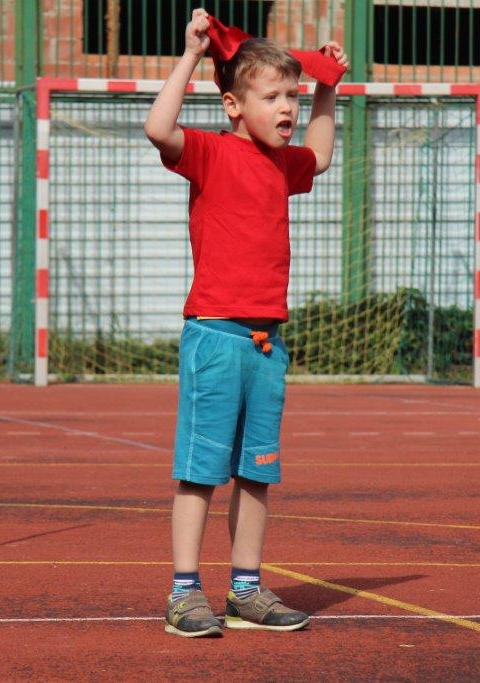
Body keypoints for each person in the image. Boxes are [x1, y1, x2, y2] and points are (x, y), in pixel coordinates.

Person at [144, 8, 347, 638]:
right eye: (273, 96)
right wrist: (191, 54)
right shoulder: (209, 152)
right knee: (200, 473)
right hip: (215, 338)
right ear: (232, 105)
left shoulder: (285, 166)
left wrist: (327, 88)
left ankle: (246, 590)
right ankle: (184, 593)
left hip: (266, 345)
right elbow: (158, 128)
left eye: (293, 96)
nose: (287, 107)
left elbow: (321, 153)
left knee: (257, 473)